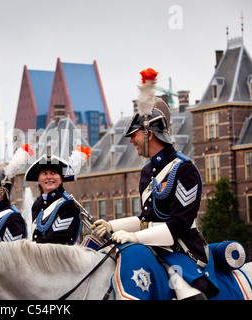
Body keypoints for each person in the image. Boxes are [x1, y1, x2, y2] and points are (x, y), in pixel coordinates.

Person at [91, 68, 216, 299]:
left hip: (182, 251)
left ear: (149, 134)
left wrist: (134, 238)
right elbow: (145, 221)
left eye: (134, 135)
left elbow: (178, 226)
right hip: (153, 248)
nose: (130, 141)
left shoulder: (184, 169)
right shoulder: (148, 170)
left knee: (187, 293)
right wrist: (111, 225)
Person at [25, 154, 82, 245]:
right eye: (44, 173)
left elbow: (54, 241)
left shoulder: (68, 205)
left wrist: (27, 247)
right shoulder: (37, 205)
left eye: (53, 172)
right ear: (38, 180)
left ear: (61, 179)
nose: (49, 177)